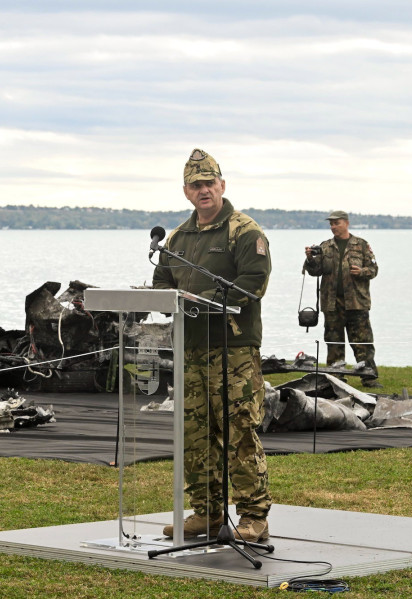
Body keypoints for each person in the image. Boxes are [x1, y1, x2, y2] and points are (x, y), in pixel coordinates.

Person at [152, 148, 273, 542]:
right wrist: (170, 298)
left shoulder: (243, 231)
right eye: (195, 185)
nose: (203, 190)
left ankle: (254, 515)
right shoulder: (178, 237)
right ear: (186, 192)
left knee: (239, 430)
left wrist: (201, 297)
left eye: (209, 183)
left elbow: (253, 285)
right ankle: (207, 512)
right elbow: (161, 285)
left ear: (222, 185)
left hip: (233, 349)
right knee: (195, 433)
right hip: (190, 349)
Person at [303, 210, 382, 388]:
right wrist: (310, 260)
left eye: (336, 223)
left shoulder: (361, 245)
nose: (333, 227)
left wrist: (362, 272)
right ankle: (335, 378)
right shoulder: (325, 247)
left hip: (357, 302)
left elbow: (374, 269)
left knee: (363, 341)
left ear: (346, 223)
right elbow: (315, 271)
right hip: (332, 303)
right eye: (331, 224)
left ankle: (368, 377)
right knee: (333, 341)